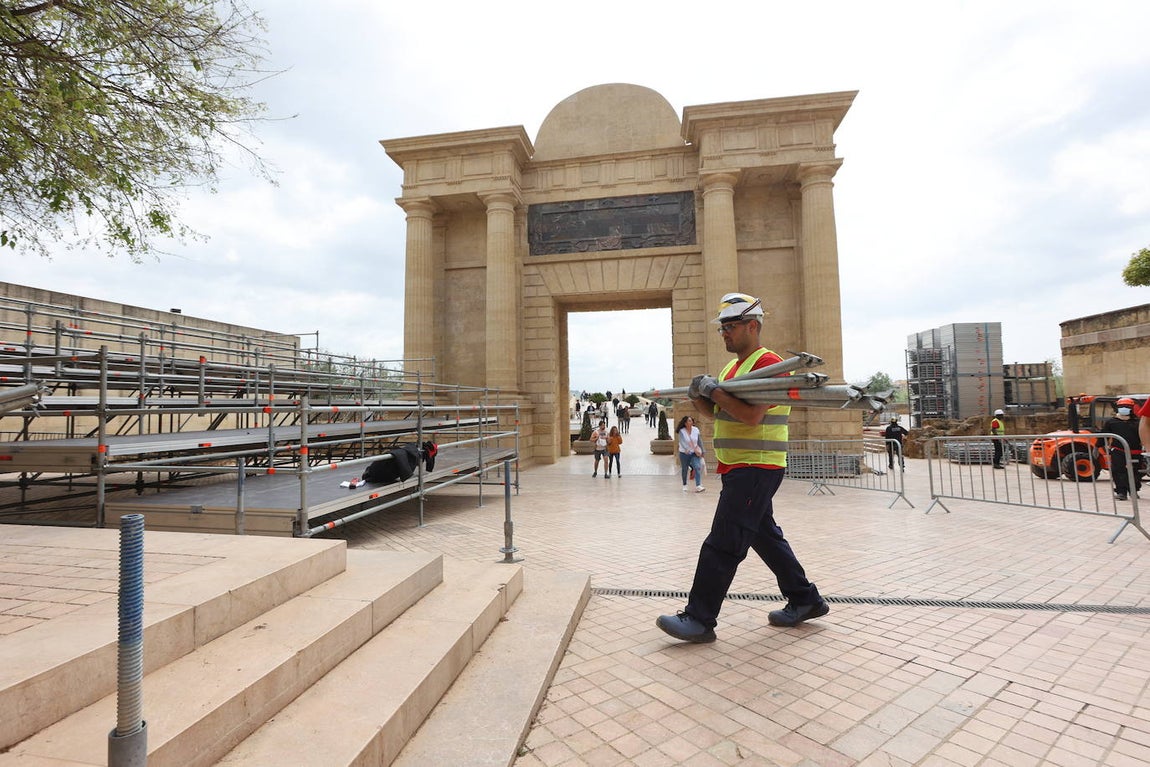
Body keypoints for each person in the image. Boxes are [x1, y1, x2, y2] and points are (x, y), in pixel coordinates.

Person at [656, 292, 827, 644]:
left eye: (730, 326)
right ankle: (805, 599)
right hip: (739, 467)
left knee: (723, 542)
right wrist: (698, 398)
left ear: (753, 325)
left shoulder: (770, 365)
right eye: (722, 328)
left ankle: (700, 618)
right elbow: (718, 413)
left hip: (757, 466)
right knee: (766, 537)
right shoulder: (732, 370)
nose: (724, 334)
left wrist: (715, 394)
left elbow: (751, 416)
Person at [1104, 397, 1142, 501]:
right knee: (1118, 471)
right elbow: (1104, 436)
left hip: (1135, 451)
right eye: (1122, 407)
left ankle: (1134, 490)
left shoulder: (1138, 422)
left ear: (1131, 408)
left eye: (1127, 407)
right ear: (1117, 408)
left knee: (1136, 472)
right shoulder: (1111, 422)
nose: (1124, 408)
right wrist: (1097, 447)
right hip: (1118, 451)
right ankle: (1121, 492)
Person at [677, 415, 705, 493]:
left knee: (697, 467)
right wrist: (687, 449)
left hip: (695, 452)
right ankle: (684, 484)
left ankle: (698, 485)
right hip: (684, 453)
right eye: (689, 421)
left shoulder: (696, 430)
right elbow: (682, 441)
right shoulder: (682, 431)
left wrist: (702, 451)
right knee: (684, 469)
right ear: (685, 423)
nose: (691, 422)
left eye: (691, 420)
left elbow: (699, 441)